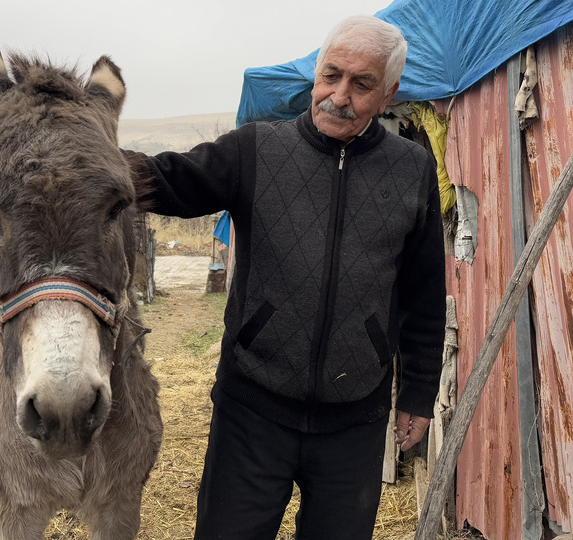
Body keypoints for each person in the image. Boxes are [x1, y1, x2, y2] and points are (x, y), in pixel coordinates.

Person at [134, 15, 446, 539]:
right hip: (251, 408)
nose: (339, 96)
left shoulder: (411, 169)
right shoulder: (256, 149)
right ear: (316, 74)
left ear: (389, 94)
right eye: (331, 75)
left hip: (355, 420)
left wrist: (418, 394)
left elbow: (424, 291)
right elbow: (170, 180)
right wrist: (81, 156)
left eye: (361, 84)